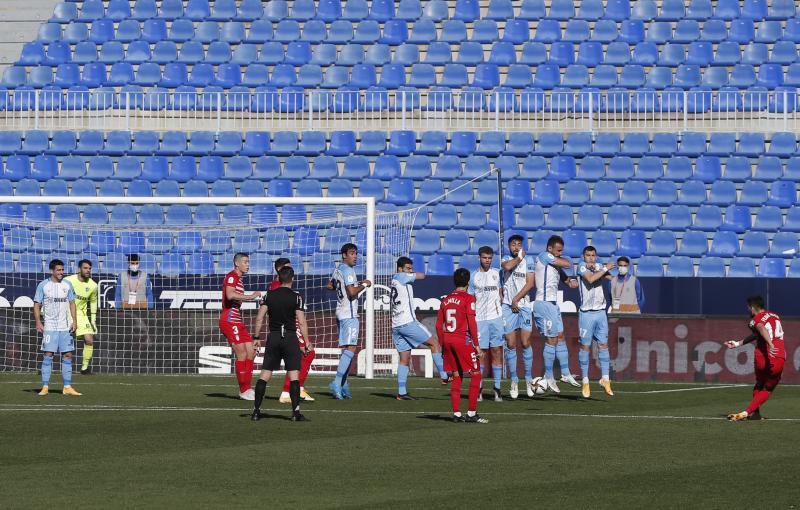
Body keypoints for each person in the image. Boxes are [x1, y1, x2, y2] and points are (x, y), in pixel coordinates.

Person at [251, 266, 310, 422]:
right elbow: (302, 322)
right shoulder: (297, 297)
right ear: (292, 279)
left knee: (264, 374)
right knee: (294, 376)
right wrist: (307, 342)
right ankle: (295, 413)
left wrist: (256, 337)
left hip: (274, 337)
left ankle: (256, 411)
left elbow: (259, 317)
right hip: (290, 338)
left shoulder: (269, 295)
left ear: (278, 279)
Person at [390, 256, 449, 400]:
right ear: (400, 269)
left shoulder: (395, 280)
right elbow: (421, 275)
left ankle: (402, 392)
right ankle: (444, 376)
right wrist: (414, 273)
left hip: (396, 325)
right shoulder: (401, 277)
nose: (411, 271)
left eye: (411, 268)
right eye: (408, 268)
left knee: (404, 358)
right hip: (407, 322)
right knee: (434, 343)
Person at [436, 268, 487, 423]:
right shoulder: (469, 298)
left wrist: (443, 344)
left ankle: (457, 414)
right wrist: (477, 346)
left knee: (457, 375)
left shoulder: (445, 299)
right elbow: (472, 323)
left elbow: (439, 325)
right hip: (462, 340)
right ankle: (471, 413)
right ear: (468, 282)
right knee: (476, 374)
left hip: (448, 340)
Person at [724, 296, 786, 421]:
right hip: (777, 355)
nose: (748, 310)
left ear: (753, 308)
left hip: (762, 356)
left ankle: (755, 414)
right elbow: (760, 331)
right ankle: (747, 412)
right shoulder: (775, 316)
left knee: (759, 383)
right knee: (768, 388)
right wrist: (738, 343)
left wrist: (769, 343)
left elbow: (760, 327)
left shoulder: (754, 320)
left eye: (748, 308)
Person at [533, 235, 580, 394]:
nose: (560, 253)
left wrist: (572, 282)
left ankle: (565, 373)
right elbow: (567, 263)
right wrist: (567, 261)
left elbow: (566, 279)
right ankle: (549, 376)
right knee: (551, 339)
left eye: (562, 250)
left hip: (553, 304)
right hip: (544, 303)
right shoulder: (544, 256)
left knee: (560, 336)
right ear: (550, 249)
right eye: (558, 250)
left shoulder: (554, 264)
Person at [268, 258, 316, 404]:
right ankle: (287, 391)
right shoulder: (277, 286)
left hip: (288, 324)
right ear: (280, 269)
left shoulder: (278, 285)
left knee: (307, 354)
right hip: (289, 324)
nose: (291, 270)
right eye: (288, 267)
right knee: (304, 353)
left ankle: (298, 388)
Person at [327, 243, 371, 400]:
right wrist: (364, 284)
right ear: (344, 255)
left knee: (347, 350)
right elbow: (352, 292)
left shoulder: (338, 269)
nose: (355, 256)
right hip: (349, 315)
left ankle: (344, 384)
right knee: (351, 349)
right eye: (352, 253)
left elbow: (330, 285)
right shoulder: (349, 270)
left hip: (340, 312)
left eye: (356, 253)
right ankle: (337, 383)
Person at [35, 259, 81, 396]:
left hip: (65, 326)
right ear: (52, 271)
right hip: (50, 326)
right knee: (48, 354)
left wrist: (75, 321)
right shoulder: (43, 285)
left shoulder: (67, 284)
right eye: (59, 270)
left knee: (67, 355)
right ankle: (45, 386)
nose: (62, 272)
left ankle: (67, 387)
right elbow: (37, 304)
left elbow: (72, 303)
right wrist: (38, 322)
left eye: (62, 270)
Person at [219, 253, 262, 400]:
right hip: (230, 319)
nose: (248, 264)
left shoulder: (240, 280)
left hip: (237, 319)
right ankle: (243, 390)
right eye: (245, 262)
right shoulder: (232, 276)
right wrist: (251, 296)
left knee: (251, 352)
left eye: (248, 262)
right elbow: (230, 295)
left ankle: (248, 388)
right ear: (237, 264)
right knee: (242, 353)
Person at [576, 246, 615, 399]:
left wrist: (605, 270)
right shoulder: (580, 266)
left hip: (600, 313)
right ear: (583, 256)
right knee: (585, 347)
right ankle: (585, 381)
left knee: (603, 345)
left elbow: (611, 278)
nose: (591, 258)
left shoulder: (599, 266)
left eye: (593, 255)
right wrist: (604, 268)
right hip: (586, 314)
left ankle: (605, 379)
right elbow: (590, 278)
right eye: (588, 255)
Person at [500, 235, 535, 399]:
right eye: (513, 245)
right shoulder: (506, 259)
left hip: (524, 305)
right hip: (507, 306)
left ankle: (528, 379)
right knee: (510, 343)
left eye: (519, 245)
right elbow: (507, 267)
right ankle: (514, 380)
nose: (516, 247)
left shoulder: (530, 261)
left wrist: (517, 299)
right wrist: (519, 257)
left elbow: (530, 283)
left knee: (525, 342)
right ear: (509, 247)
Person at [468, 246, 504, 402]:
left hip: (496, 318)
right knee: (480, 354)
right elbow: (470, 299)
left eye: (490, 258)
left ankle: (497, 389)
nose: (487, 261)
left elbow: (502, 293)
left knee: (496, 352)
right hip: (480, 320)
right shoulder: (473, 276)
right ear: (479, 258)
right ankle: (479, 390)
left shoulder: (497, 273)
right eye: (484, 258)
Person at [65, 259, 99, 375]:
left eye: (89, 268)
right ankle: (45, 364)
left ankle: (85, 368)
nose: (88, 270)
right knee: (59, 341)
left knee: (89, 340)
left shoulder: (93, 285)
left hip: (81, 314)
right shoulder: (68, 280)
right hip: (66, 312)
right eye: (85, 268)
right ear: (79, 269)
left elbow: (93, 302)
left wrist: (93, 320)